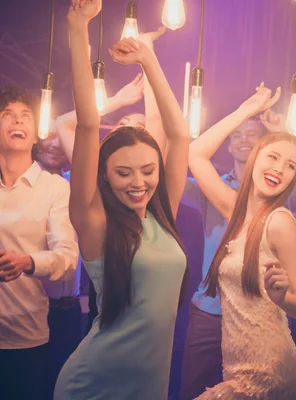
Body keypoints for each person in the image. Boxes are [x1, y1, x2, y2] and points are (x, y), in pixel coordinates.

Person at [54, 0, 189, 398]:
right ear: (105, 176)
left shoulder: (163, 215)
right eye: (123, 172)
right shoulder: (95, 220)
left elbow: (180, 135)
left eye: (148, 171)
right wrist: (79, 28)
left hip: (149, 385)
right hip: (93, 383)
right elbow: (88, 123)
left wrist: (149, 61)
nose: (138, 183)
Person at [188, 83, 296, 399]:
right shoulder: (233, 207)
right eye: (273, 157)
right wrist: (246, 110)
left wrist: (283, 298)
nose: (279, 169)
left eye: (289, 166)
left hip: (268, 372)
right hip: (237, 368)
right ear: (254, 158)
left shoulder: (280, 222)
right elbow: (195, 153)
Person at [0, 85, 79, 400]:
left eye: (25, 117)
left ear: (36, 135)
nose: (16, 122)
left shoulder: (55, 189)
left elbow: (68, 257)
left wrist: (28, 262)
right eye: (7, 115)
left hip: (26, 335)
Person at [35, 123, 86, 397]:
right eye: (48, 133)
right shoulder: (19, 186)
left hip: (70, 308)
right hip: (31, 304)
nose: (55, 143)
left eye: (61, 135)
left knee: (64, 386)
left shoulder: (76, 185)